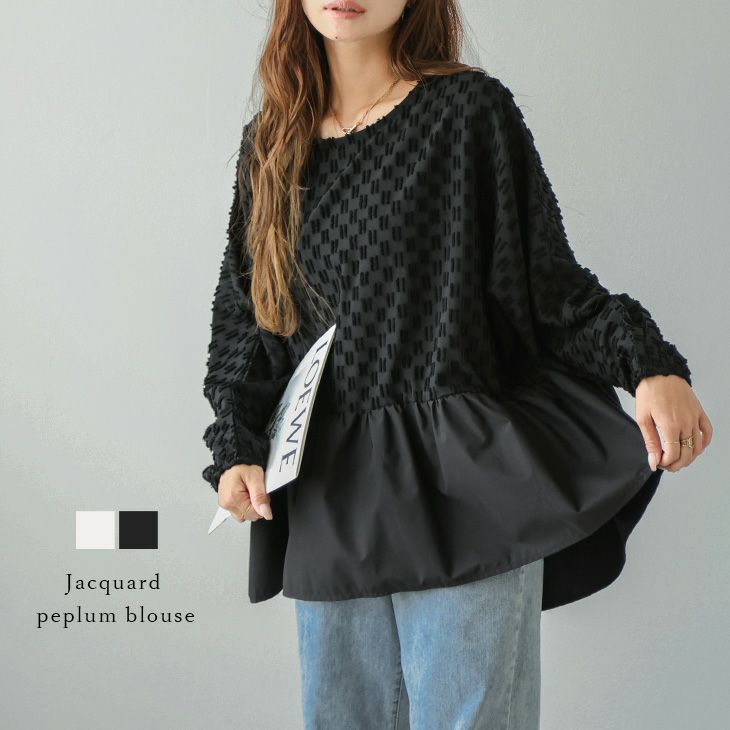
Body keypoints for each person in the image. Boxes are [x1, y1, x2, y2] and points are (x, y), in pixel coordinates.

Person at [201, 1, 713, 728]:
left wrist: (649, 366)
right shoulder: (270, 146)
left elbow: (546, 287)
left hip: (463, 487)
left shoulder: (467, 113)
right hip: (329, 498)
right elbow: (248, 326)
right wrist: (237, 449)